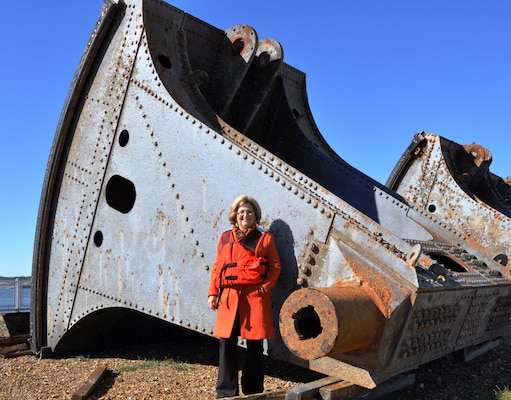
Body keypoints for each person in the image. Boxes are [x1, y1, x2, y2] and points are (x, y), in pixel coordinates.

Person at [207, 195, 281, 398]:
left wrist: (266, 286)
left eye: (249, 212)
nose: (245, 215)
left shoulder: (264, 238)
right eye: (241, 212)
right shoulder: (224, 237)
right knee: (226, 343)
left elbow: (274, 266)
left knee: (255, 346)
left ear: (255, 214)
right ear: (235, 215)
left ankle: (253, 391)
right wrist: (213, 293)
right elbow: (217, 267)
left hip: (254, 297)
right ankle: (226, 392)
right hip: (229, 297)